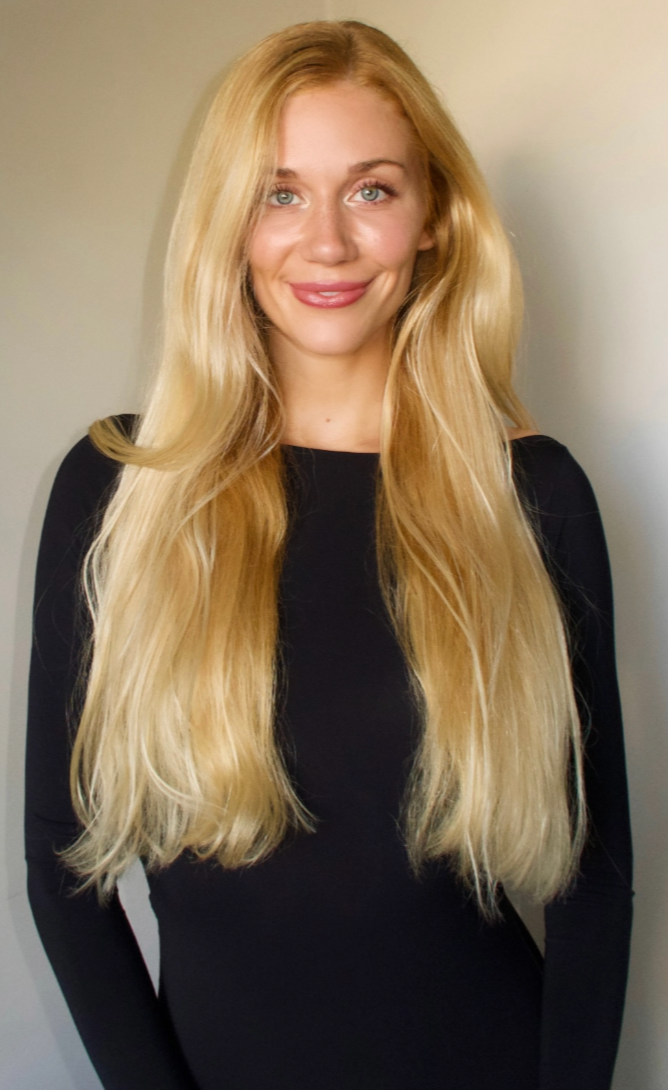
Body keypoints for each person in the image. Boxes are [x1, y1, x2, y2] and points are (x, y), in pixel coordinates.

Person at [25, 19, 633, 1090]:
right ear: (228, 224)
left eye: (370, 189)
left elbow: (593, 879)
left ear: (433, 217)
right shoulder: (122, 489)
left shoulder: (533, 495)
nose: (325, 243)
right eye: (278, 192)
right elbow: (60, 869)